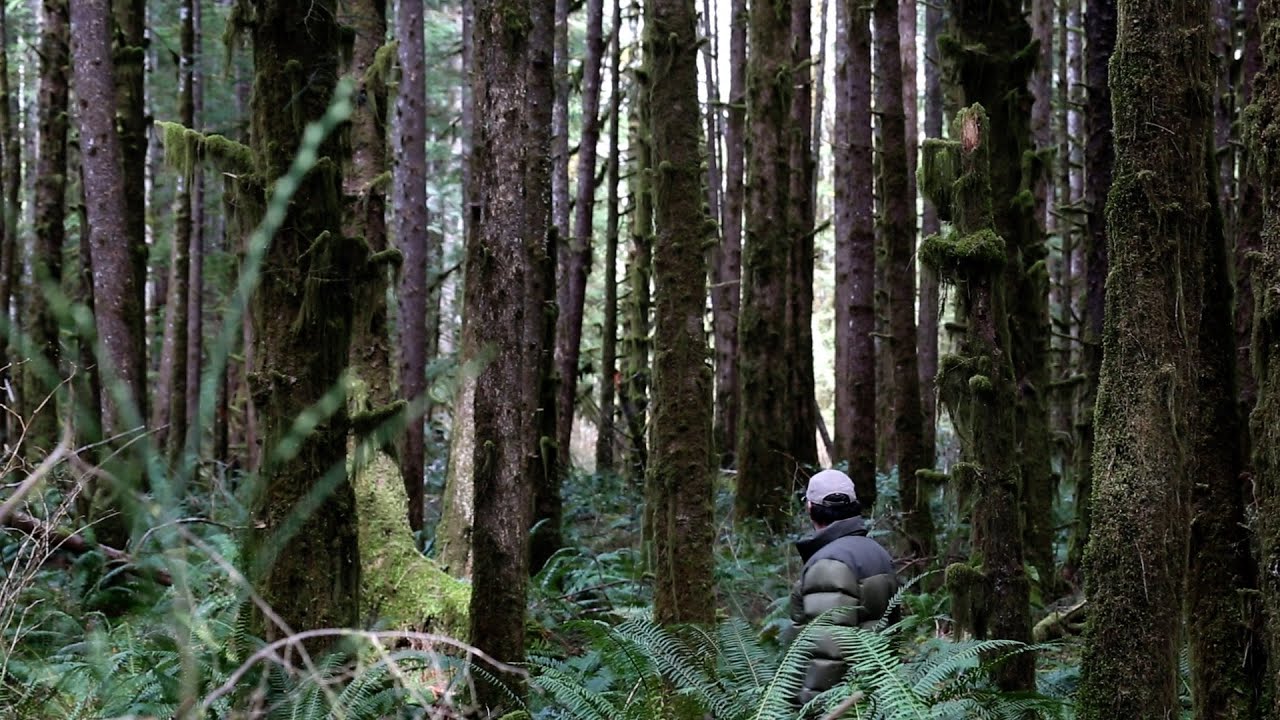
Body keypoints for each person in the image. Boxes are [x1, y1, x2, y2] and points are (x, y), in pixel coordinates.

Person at [787, 468, 899, 707]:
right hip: (879, 696)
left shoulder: (829, 563)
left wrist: (809, 708)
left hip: (841, 706)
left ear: (810, 508)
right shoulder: (877, 551)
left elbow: (828, 654)